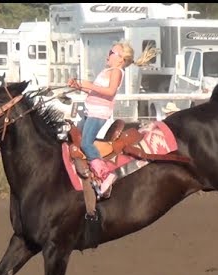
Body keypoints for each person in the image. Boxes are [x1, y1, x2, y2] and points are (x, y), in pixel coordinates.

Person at [67, 41, 157, 196]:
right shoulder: (107, 71)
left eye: (111, 53)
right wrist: (79, 86)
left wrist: (88, 85)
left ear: (121, 59)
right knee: (73, 137)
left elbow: (110, 92)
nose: (108, 55)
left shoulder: (117, 71)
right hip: (91, 111)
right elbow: (96, 92)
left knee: (86, 143)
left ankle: (105, 174)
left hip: (98, 113)